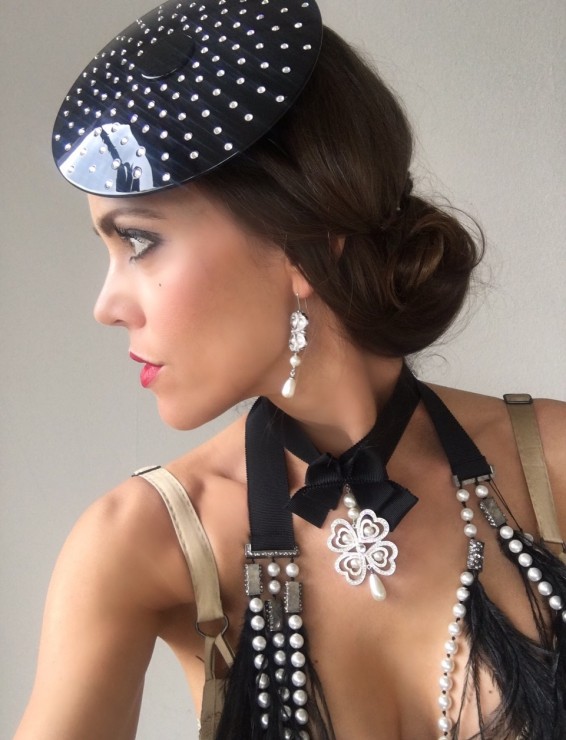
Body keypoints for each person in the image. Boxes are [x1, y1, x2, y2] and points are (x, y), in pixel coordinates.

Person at [14, 0, 566, 738]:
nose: (106, 306)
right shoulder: (143, 543)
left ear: (302, 242)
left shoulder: (551, 465)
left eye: (139, 242)